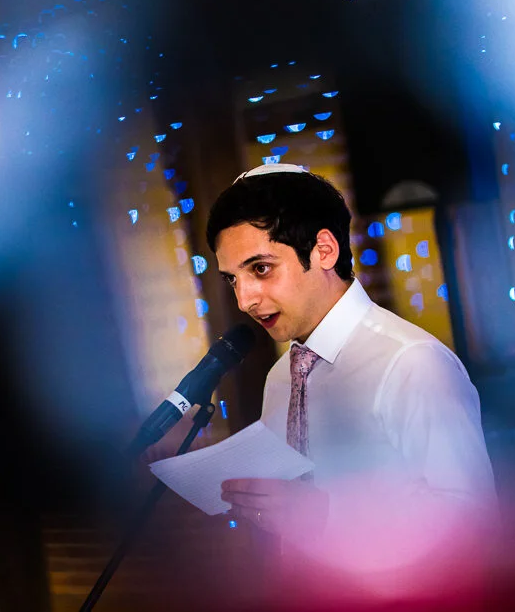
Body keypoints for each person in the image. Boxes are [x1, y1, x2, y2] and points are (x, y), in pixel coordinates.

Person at [204, 162, 497, 609]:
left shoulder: (411, 361)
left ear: (324, 250)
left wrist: (325, 514)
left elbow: (473, 522)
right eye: (232, 279)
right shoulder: (280, 378)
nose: (244, 300)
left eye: (260, 269)